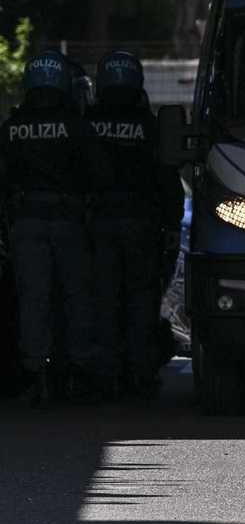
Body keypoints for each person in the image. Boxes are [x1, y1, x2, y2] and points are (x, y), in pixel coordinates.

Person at [0, 51, 104, 407]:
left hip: (26, 222)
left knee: (34, 300)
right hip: (69, 222)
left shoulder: (12, 128)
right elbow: (94, 174)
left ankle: (38, 374)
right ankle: (77, 373)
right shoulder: (77, 126)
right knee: (76, 297)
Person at [87, 51, 184, 398]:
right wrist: (172, 225)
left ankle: (104, 376)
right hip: (142, 226)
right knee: (141, 301)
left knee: (101, 300)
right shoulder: (150, 128)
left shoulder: (86, 123)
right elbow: (169, 181)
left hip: (96, 226)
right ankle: (140, 375)